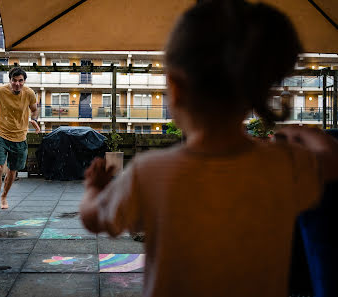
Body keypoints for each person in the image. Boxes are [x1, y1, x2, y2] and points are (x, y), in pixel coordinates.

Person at [79, 1, 338, 296]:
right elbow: (332, 162)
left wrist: (94, 188)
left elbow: (93, 218)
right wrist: (306, 133)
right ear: (255, 89)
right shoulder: (288, 166)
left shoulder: (150, 173)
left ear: (175, 88)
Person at [0, 67, 40, 213]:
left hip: (20, 137)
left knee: (12, 170)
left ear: (24, 81)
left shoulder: (29, 93)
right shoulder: (0, 91)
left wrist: (34, 119)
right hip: (1, 135)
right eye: (14, 80)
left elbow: (34, 109)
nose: (17, 84)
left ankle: (4, 196)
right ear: (10, 80)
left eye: (20, 81)